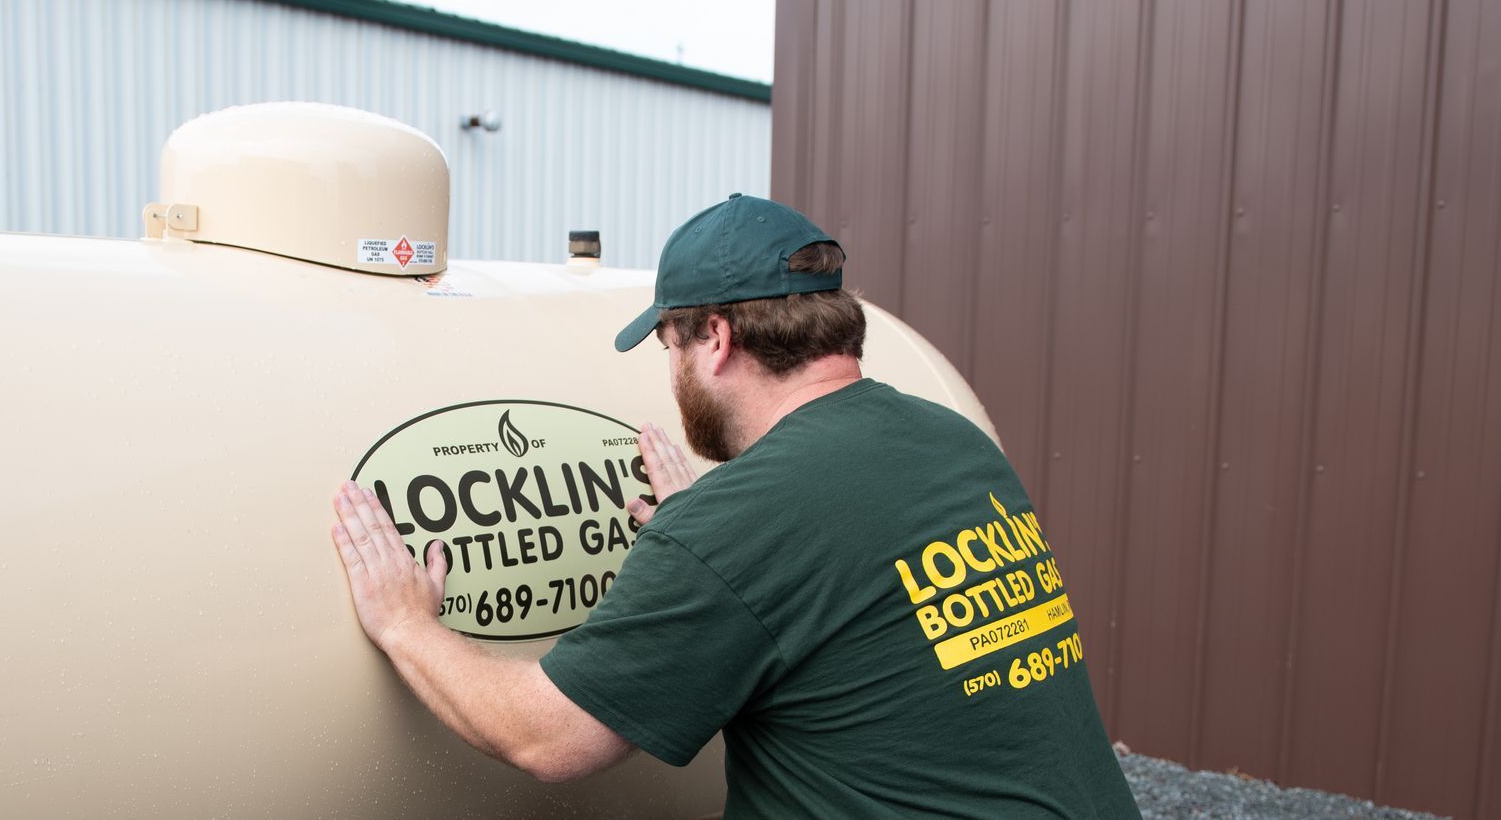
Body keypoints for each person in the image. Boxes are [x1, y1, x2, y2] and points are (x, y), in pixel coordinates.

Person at [330, 194, 1140, 817]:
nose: (671, 366)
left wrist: (406, 623)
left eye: (668, 344)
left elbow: (544, 737)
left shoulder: (745, 525)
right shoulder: (950, 437)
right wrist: (714, 537)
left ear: (714, 337)